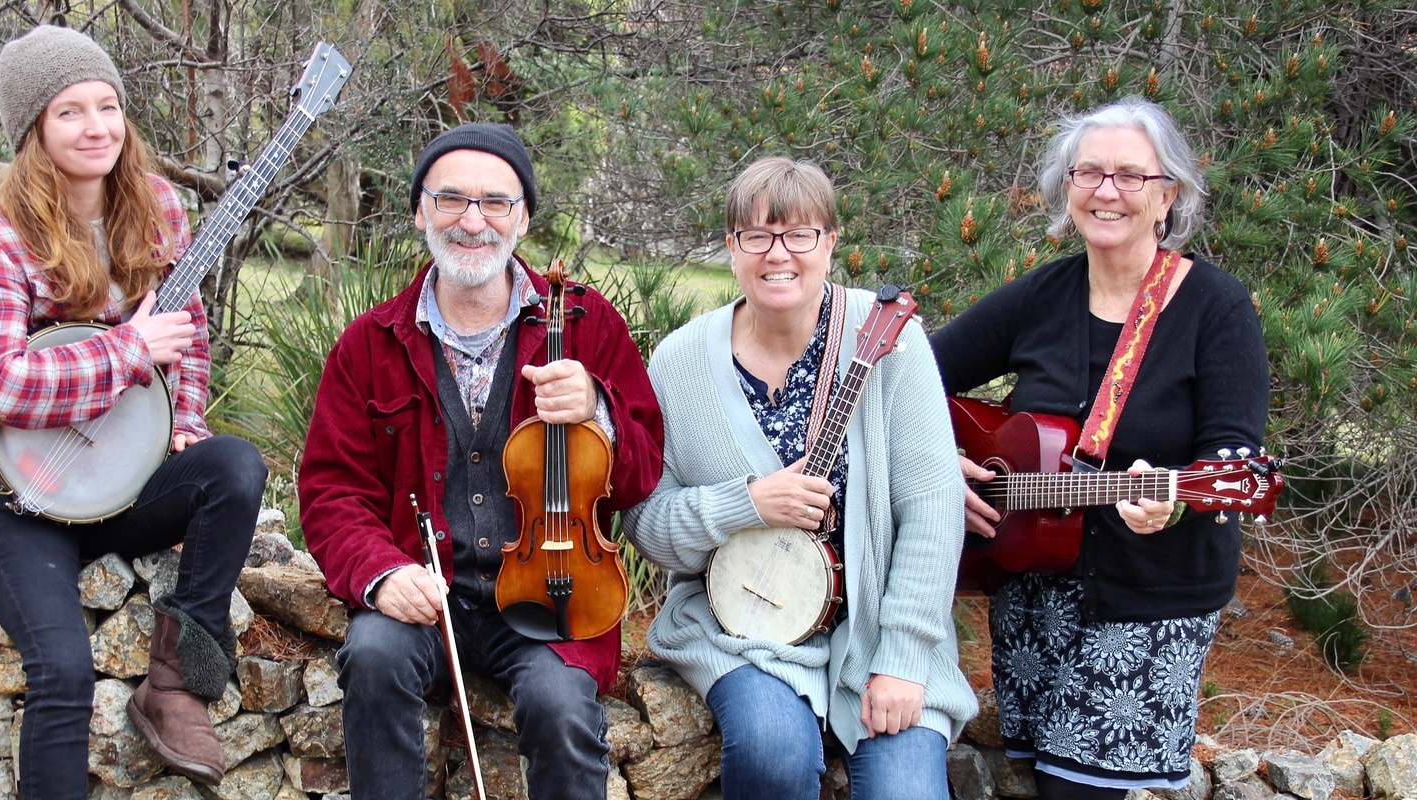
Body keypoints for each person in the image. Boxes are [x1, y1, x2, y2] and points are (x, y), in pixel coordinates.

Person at [297, 122, 665, 799]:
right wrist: (380, 574)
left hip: (551, 596)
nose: (474, 221)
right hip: (425, 594)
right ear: (419, 212)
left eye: (496, 202)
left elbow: (641, 473)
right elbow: (331, 491)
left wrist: (597, 410)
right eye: (452, 199)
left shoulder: (585, 324)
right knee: (373, 658)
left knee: (560, 706)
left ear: (522, 217)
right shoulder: (368, 343)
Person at [0, 26, 267, 796]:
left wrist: (184, 420)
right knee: (61, 670)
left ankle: (175, 680)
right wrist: (125, 351)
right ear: (34, 129)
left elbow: (185, 340)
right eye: (70, 112)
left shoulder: (157, 208)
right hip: (15, 500)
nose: (97, 127)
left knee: (234, 466)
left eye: (109, 105)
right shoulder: (1, 239)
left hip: (120, 488)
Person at [929, 96, 1270, 799]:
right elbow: (910, 376)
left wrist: (1173, 503)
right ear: (1067, 188)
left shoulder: (1215, 307)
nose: (1106, 191)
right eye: (1089, 173)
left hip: (1151, 597)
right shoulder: (1041, 295)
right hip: (1031, 593)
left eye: (1130, 176)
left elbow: (1233, 456)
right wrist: (940, 463)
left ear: (1167, 195)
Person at [623, 156, 976, 800]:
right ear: (732, 248)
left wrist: (902, 658)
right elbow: (646, 523)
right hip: (742, 630)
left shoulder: (891, 343)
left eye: (800, 235)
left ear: (831, 244)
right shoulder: (680, 361)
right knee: (771, 754)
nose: (777, 254)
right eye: (756, 236)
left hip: (876, 628)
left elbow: (933, 508)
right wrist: (746, 504)